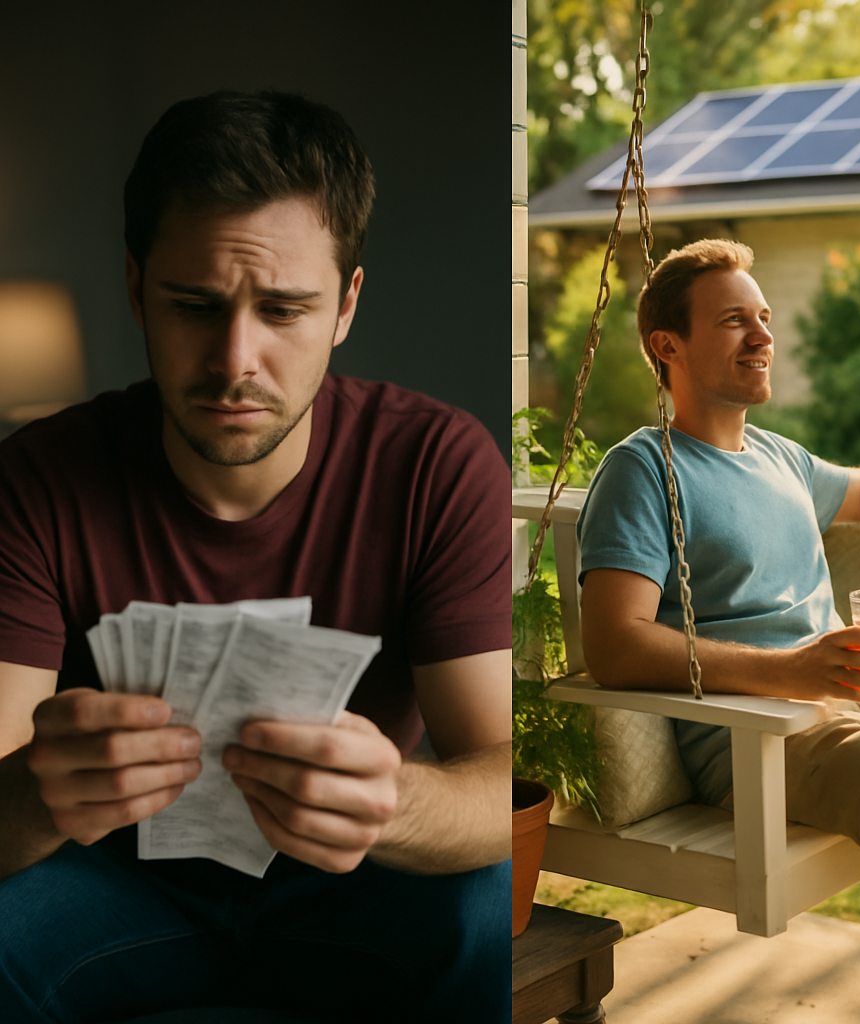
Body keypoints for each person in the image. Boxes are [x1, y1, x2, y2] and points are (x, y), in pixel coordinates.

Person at [0, 91, 511, 1022]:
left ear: (347, 305)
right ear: (133, 287)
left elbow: (499, 775)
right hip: (111, 884)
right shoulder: (38, 478)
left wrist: (393, 801)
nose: (236, 358)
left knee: (480, 914)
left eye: (283, 309)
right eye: (194, 305)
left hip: (356, 880)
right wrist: (40, 793)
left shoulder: (437, 462)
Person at [577, 238, 860, 1012]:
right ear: (667, 345)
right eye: (732, 321)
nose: (762, 336)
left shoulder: (781, 459)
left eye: (764, 317)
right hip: (767, 734)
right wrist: (790, 673)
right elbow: (616, 645)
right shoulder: (643, 469)